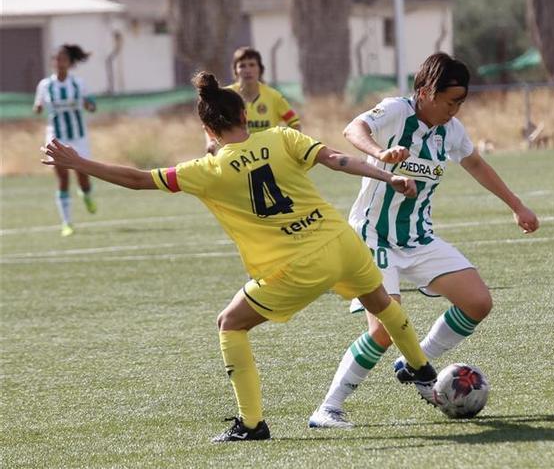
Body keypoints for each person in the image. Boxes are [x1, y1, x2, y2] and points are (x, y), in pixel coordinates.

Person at [41, 71, 437, 442]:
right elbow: (338, 158)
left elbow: (139, 179)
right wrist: (389, 176)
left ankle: (251, 423)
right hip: (342, 241)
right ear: (245, 115)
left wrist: (79, 163)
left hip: (299, 265)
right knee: (380, 303)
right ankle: (420, 368)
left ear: (207, 128)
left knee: (230, 323)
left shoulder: (207, 169)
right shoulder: (282, 137)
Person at [308, 52, 539, 429]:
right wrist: (380, 152)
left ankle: (416, 364)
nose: (455, 110)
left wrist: (517, 206)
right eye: (450, 101)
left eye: (461, 102)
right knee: (383, 329)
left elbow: (476, 164)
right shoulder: (396, 111)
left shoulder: (452, 131)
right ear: (425, 91)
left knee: (478, 302)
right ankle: (328, 408)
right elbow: (353, 130)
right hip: (372, 236)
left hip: (417, 238)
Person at [34, 44, 98, 236]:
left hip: (78, 137)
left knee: (83, 177)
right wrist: (37, 108)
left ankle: (86, 194)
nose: (58, 61)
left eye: (62, 58)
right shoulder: (45, 85)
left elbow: (92, 105)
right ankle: (67, 223)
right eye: (55, 58)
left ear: (70, 62)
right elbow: (38, 105)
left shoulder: (78, 83)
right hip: (56, 137)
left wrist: (89, 105)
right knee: (62, 179)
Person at [204, 46, 301, 155]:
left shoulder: (274, 96)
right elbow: (211, 124)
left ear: (260, 69)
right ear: (235, 70)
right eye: (242, 66)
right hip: (236, 157)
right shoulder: (225, 96)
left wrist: (291, 146)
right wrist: (211, 142)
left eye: (252, 65)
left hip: (268, 156)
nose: (247, 70)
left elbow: (294, 122)